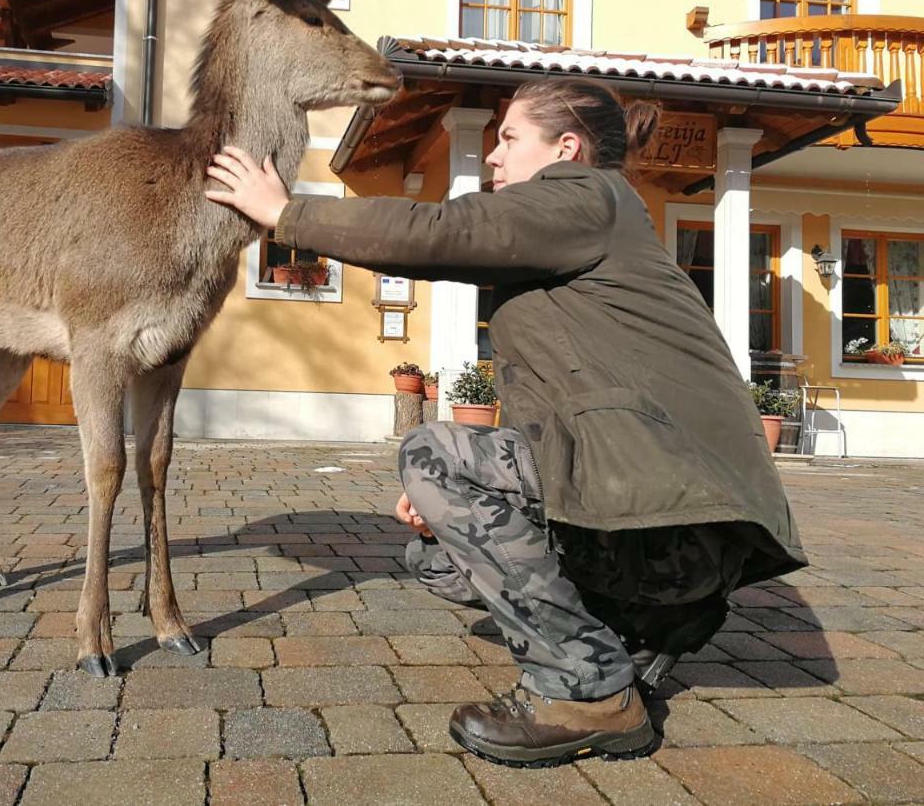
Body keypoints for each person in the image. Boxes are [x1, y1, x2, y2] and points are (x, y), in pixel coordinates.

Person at [205, 77, 806, 769]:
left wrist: (286, 213)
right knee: (435, 556)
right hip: (672, 535)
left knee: (434, 453)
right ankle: (639, 630)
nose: (493, 157)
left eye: (511, 138)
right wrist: (474, 492)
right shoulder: (588, 235)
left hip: (677, 527)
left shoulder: (588, 196)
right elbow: (559, 403)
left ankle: (587, 693)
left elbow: (443, 232)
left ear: (567, 148)